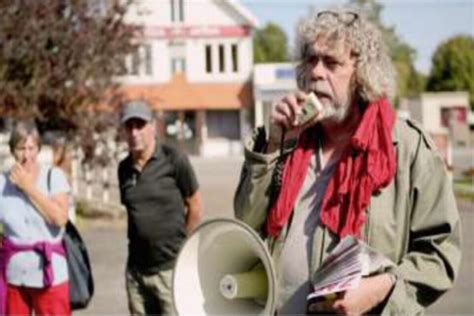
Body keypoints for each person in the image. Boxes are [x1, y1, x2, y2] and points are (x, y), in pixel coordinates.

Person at [234, 8, 461, 315]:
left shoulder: (409, 148)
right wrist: (274, 145)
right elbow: (246, 223)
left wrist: (384, 288)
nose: (315, 72)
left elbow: (440, 253)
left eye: (331, 62)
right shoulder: (286, 138)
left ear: (362, 74)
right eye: (311, 60)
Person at [118, 100, 203, 315]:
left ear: (153, 126)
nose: (134, 132)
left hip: (169, 270)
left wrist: (184, 248)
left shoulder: (174, 160)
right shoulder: (123, 169)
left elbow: (195, 205)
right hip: (136, 272)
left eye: (140, 125)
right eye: (129, 126)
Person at [0, 121, 71, 315]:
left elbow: (59, 218)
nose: (26, 155)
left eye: (31, 148)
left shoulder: (53, 177)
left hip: (50, 275)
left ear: (38, 149)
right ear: (12, 150)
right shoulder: (2, 183)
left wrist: (28, 187)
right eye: (21, 148)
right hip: (15, 275)